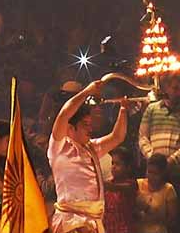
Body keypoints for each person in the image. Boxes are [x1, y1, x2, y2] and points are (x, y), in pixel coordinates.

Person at [49, 80, 130, 233]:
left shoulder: (91, 147)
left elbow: (117, 137)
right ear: (71, 128)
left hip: (93, 222)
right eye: (85, 125)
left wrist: (123, 110)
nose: (90, 128)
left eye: (90, 124)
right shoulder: (59, 147)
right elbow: (64, 114)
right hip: (70, 222)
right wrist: (86, 92)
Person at [138, 75, 180, 187]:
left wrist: (170, 161)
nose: (178, 93)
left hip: (177, 172)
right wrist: (153, 158)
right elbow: (143, 137)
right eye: (175, 88)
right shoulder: (152, 109)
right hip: (154, 172)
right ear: (167, 88)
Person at [135, 154, 177, 233]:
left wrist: (150, 211)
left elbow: (172, 221)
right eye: (149, 172)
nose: (151, 176)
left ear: (163, 174)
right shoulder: (138, 184)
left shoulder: (168, 189)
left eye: (155, 174)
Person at [102, 148, 136, 233]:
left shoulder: (132, 184)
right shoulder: (109, 184)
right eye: (112, 163)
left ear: (128, 167)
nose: (113, 167)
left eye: (117, 164)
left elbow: (117, 188)